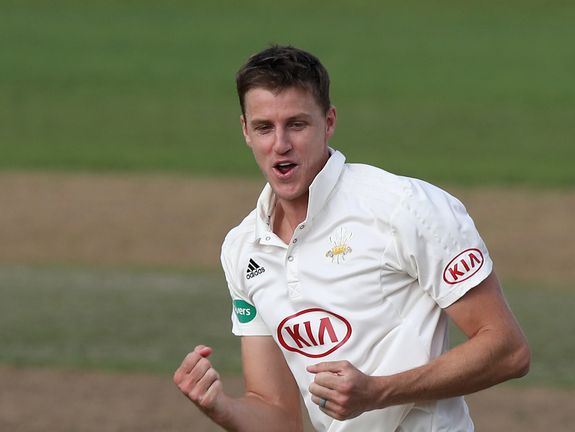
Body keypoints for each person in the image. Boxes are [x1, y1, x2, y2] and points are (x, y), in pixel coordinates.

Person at [173, 45, 530, 432]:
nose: (280, 144)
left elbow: (508, 350)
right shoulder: (244, 249)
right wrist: (220, 408)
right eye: (264, 127)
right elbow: (278, 414)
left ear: (328, 122)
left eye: (297, 124)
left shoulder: (405, 209)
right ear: (245, 130)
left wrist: (378, 391)